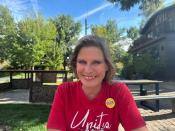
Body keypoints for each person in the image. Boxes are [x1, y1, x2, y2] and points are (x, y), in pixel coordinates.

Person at [47, 35, 148, 131]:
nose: (88, 70)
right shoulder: (64, 91)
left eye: (96, 62)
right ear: (75, 64)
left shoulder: (118, 91)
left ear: (107, 65)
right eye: (82, 62)